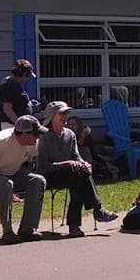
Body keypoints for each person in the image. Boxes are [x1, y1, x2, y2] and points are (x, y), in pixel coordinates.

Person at [37, 101, 119, 237]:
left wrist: (84, 163)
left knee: (81, 173)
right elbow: (43, 166)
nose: (65, 116)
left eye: (66, 113)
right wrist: (64, 164)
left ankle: (75, 226)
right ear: (52, 116)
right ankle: (96, 210)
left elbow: (76, 156)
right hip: (50, 176)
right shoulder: (44, 137)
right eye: (61, 113)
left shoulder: (70, 134)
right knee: (77, 175)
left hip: (71, 174)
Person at [0, 59, 36, 129]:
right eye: (28, 76)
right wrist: (19, 125)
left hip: (14, 125)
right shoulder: (10, 85)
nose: (27, 79)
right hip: (11, 126)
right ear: (24, 74)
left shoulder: (13, 84)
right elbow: (7, 108)